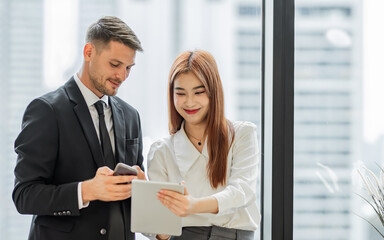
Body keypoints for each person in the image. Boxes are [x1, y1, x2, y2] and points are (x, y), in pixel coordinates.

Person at [12, 16, 146, 240]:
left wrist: (143, 188)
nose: (121, 76)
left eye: (128, 68)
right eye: (115, 65)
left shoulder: (131, 116)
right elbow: (24, 196)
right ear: (89, 52)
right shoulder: (47, 110)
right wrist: (86, 191)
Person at [147, 50, 260, 240]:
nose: (189, 102)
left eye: (199, 92)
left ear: (213, 92)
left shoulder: (241, 134)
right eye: (180, 93)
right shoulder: (162, 151)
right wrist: (149, 201)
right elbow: (161, 233)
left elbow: (242, 192)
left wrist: (193, 206)